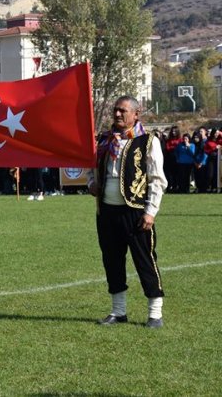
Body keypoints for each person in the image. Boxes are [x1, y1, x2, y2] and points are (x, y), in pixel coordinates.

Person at [88, 96, 167, 329]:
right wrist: (91, 183)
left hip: (136, 212)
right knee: (112, 261)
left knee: (145, 261)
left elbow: (157, 179)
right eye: (115, 110)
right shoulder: (104, 140)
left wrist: (150, 211)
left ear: (136, 114)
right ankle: (118, 311)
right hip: (107, 211)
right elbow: (91, 169)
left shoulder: (147, 141)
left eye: (123, 111)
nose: (117, 114)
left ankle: (155, 314)